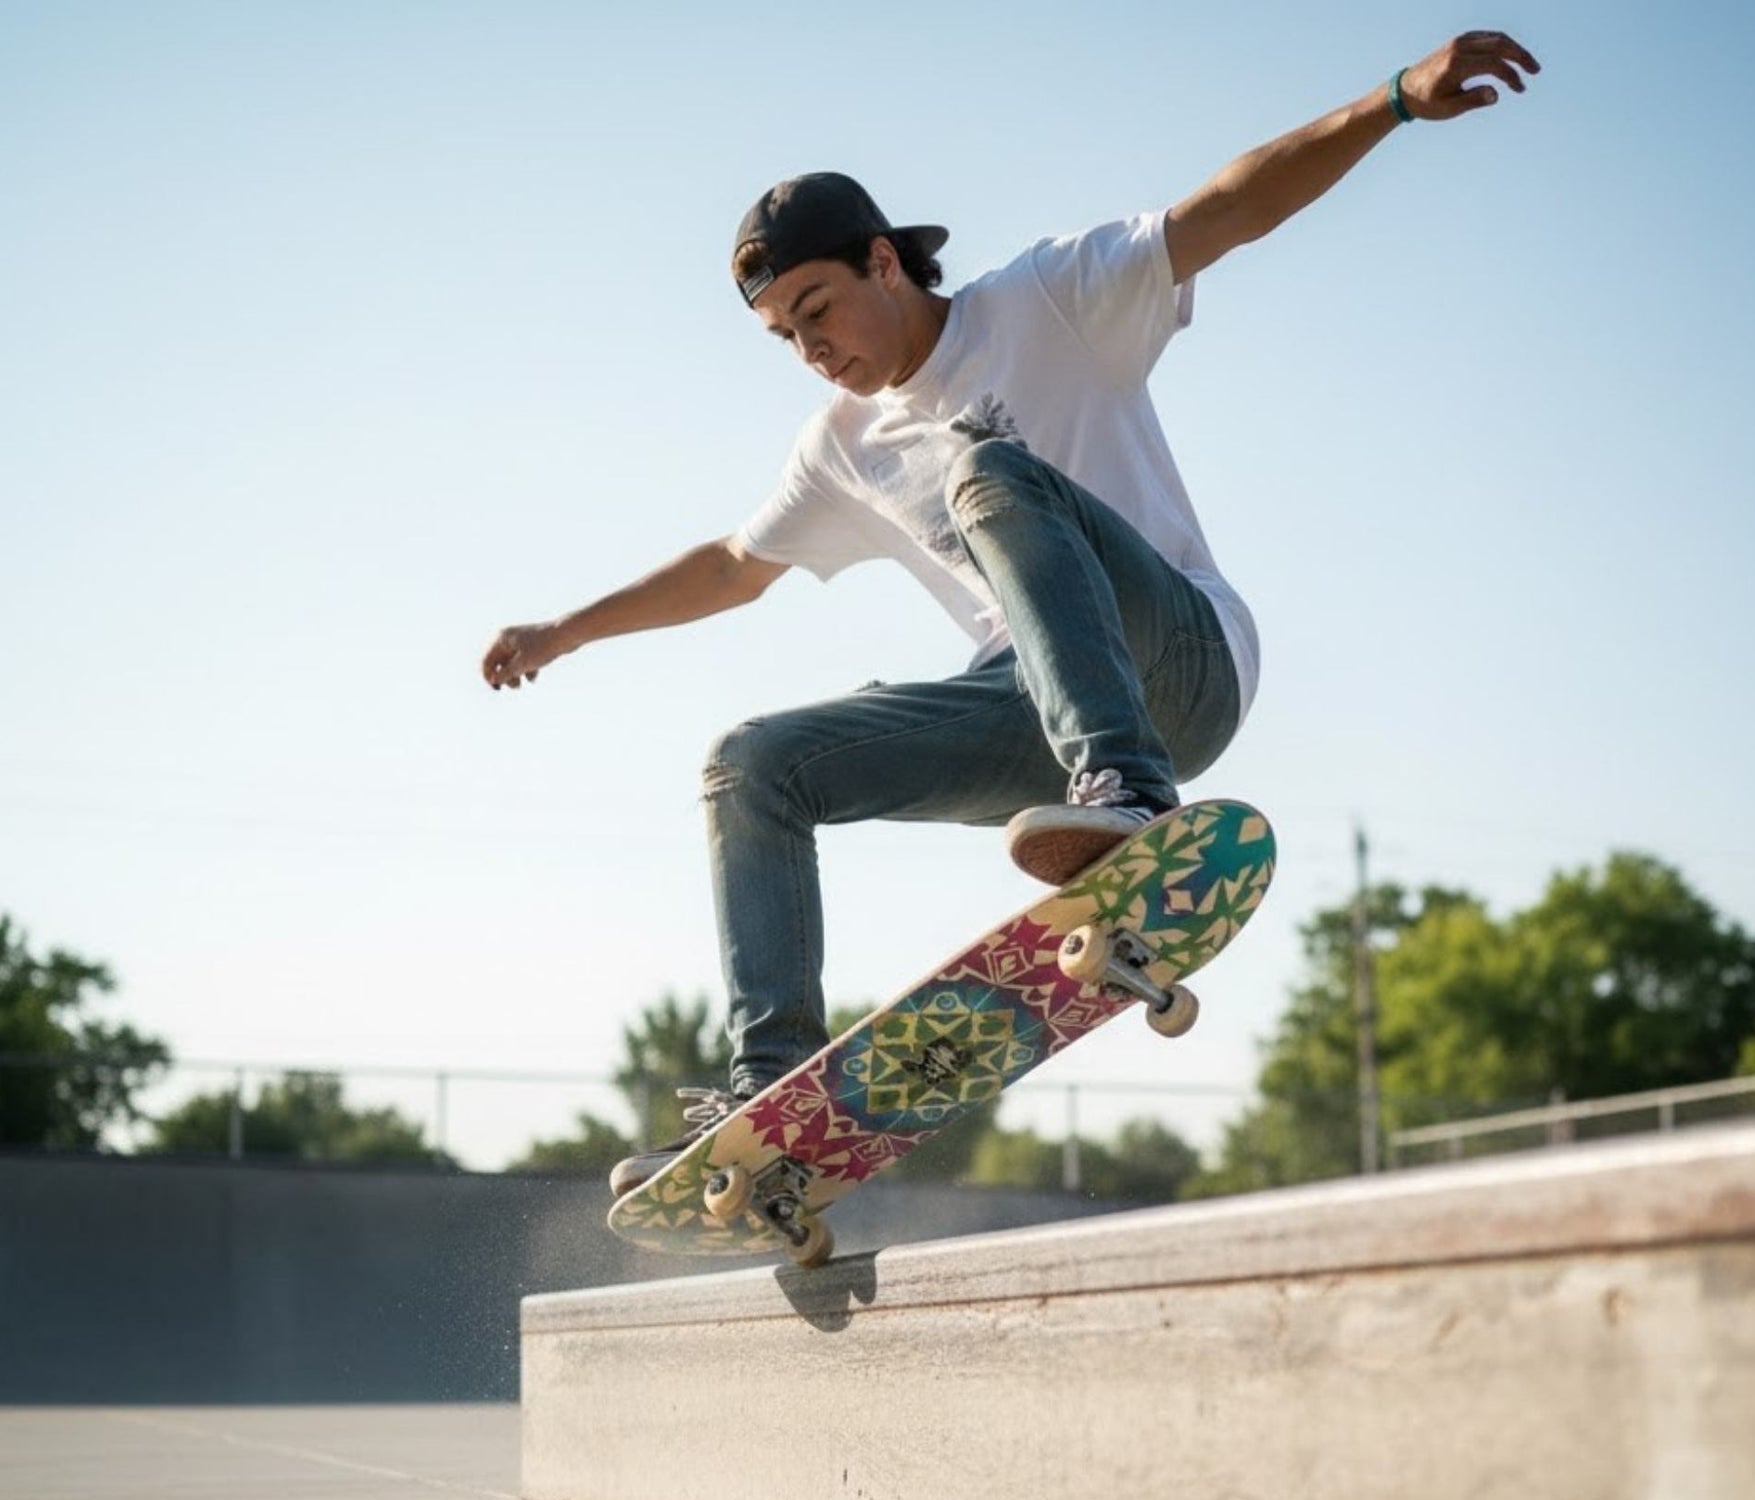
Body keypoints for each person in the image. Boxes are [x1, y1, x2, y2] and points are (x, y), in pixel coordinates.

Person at [481, 31, 1539, 1194]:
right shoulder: (836, 449)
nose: (812, 349)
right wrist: (566, 629)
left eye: (819, 307)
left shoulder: (1046, 299)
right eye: (785, 335)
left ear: (886, 262)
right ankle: (770, 1093)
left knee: (984, 472)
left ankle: (1127, 793)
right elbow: (734, 565)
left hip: (1180, 661)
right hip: (1021, 697)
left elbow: (1224, 211)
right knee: (749, 765)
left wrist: (1387, 102)